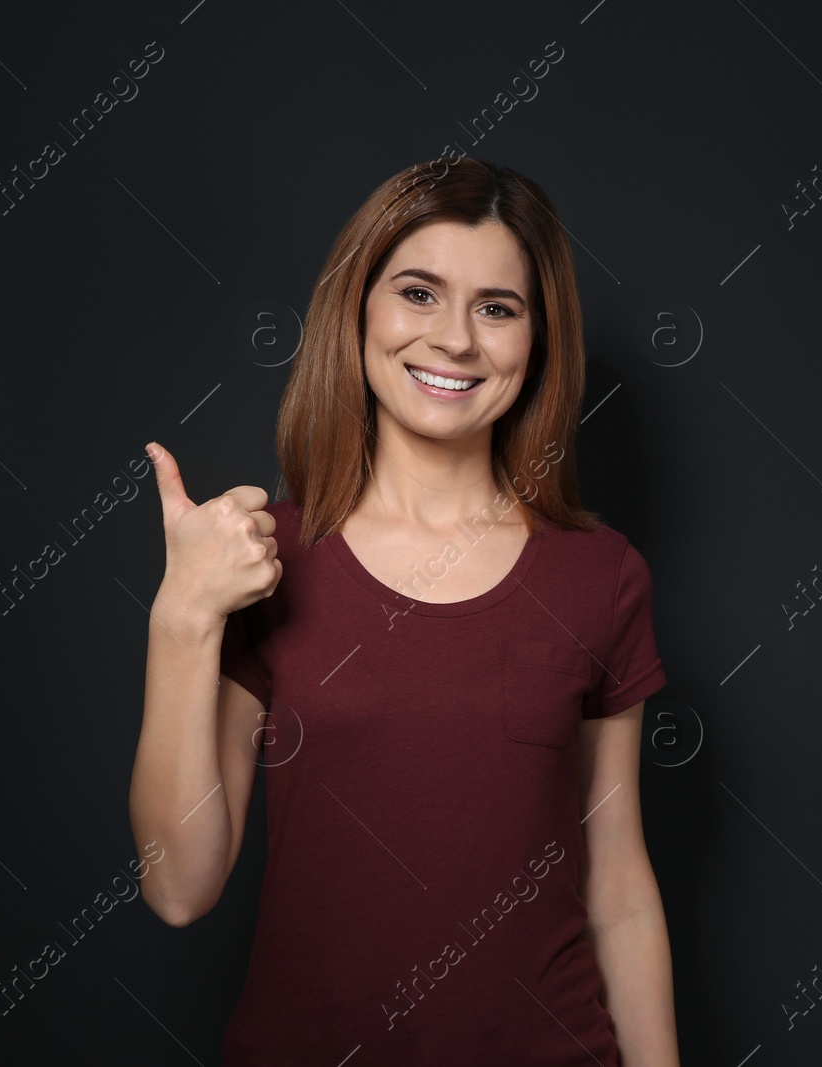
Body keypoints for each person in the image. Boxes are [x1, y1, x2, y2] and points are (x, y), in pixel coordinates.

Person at [128, 157, 679, 1066]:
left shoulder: (601, 575)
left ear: (537, 342)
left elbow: (617, 881)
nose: (455, 339)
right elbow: (179, 887)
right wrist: (181, 614)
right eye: (419, 292)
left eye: (497, 308)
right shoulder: (266, 558)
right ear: (360, 309)